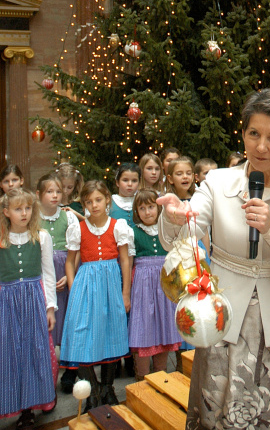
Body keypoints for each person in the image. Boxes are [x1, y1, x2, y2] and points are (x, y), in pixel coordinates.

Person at [157, 87, 270, 430]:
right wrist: (176, 219)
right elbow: (182, 238)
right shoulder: (218, 182)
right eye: (253, 134)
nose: (261, 147)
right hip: (228, 326)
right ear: (242, 134)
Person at [60, 180, 131, 411]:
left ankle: (107, 387)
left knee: (112, 332)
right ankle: (92, 386)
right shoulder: (78, 229)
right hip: (85, 285)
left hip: (111, 285)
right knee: (81, 335)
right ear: (83, 204)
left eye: (98, 200)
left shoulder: (117, 226)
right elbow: (70, 262)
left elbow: (124, 260)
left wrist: (126, 293)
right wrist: (74, 289)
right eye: (88, 202)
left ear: (107, 200)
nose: (93, 205)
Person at [0, 189, 57, 430]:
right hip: (6, 300)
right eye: (17, 209)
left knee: (33, 352)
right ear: (6, 212)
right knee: (9, 353)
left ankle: (28, 411)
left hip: (34, 299)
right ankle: (10, 403)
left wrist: (50, 308)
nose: (24, 213)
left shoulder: (41, 236)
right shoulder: (2, 238)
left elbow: (48, 273)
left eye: (27, 208)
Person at [128, 189, 183, 380]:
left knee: (164, 327)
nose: (147, 212)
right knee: (144, 327)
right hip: (143, 286)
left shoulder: (166, 229)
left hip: (164, 283)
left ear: (159, 208)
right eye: (141, 208)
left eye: (151, 207)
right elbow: (127, 263)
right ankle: (141, 380)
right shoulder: (131, 232)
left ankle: (161, 377)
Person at [36, 173, 80, 393]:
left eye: (58, 192)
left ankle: (70, 370)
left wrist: (67, 274)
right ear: (38, 195)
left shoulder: (68, 217)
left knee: (68, 320)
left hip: (65, 270)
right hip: (43, 274)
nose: (55, 196)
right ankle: (48, 371)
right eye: (49, 192)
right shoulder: (33, 218)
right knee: (49, 323)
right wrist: (45, 280)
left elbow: (76, 250)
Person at [110, 163, 140, 227]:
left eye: (134, 181)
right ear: (117, 182)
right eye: (125, 180)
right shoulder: (109, 203)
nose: (130, 184)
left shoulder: (140, 201)